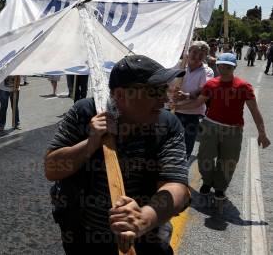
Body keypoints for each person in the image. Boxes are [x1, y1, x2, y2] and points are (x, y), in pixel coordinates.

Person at [45, 55, 190, 254]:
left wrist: (143, 218)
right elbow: (51, 169)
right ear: (121, 95)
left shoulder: (167, 125)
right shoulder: (85, 112)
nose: (164, 98)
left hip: (144, 239)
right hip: (83, 237)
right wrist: (90, 144)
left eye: (164, 89)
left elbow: (177, 189)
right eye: (155, 91)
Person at [178, 53, 270, 201]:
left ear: (234, 67)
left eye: (228, 67)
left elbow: (254, 110)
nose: (223, 69)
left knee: (228, 160)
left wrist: (262, 133)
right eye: (221, 66)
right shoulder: (211, 84)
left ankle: (220, 187)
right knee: (204, 157)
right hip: (210, 126)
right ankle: (207, 182)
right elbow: (198, 103)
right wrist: (178, 106)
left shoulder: (244, 86)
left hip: (233, 130)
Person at [171, 41, 214, 158]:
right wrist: (170, 92)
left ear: (205, 56)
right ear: (188, 52)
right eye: (194, 52)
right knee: (168, 144)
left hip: (192, 114)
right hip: (171, 111)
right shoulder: (177, 65)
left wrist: (186, 95)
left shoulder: (207, 71)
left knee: (186, 146)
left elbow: (203, 90)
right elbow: (163, 83)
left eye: (202, 54)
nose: (197, 56)